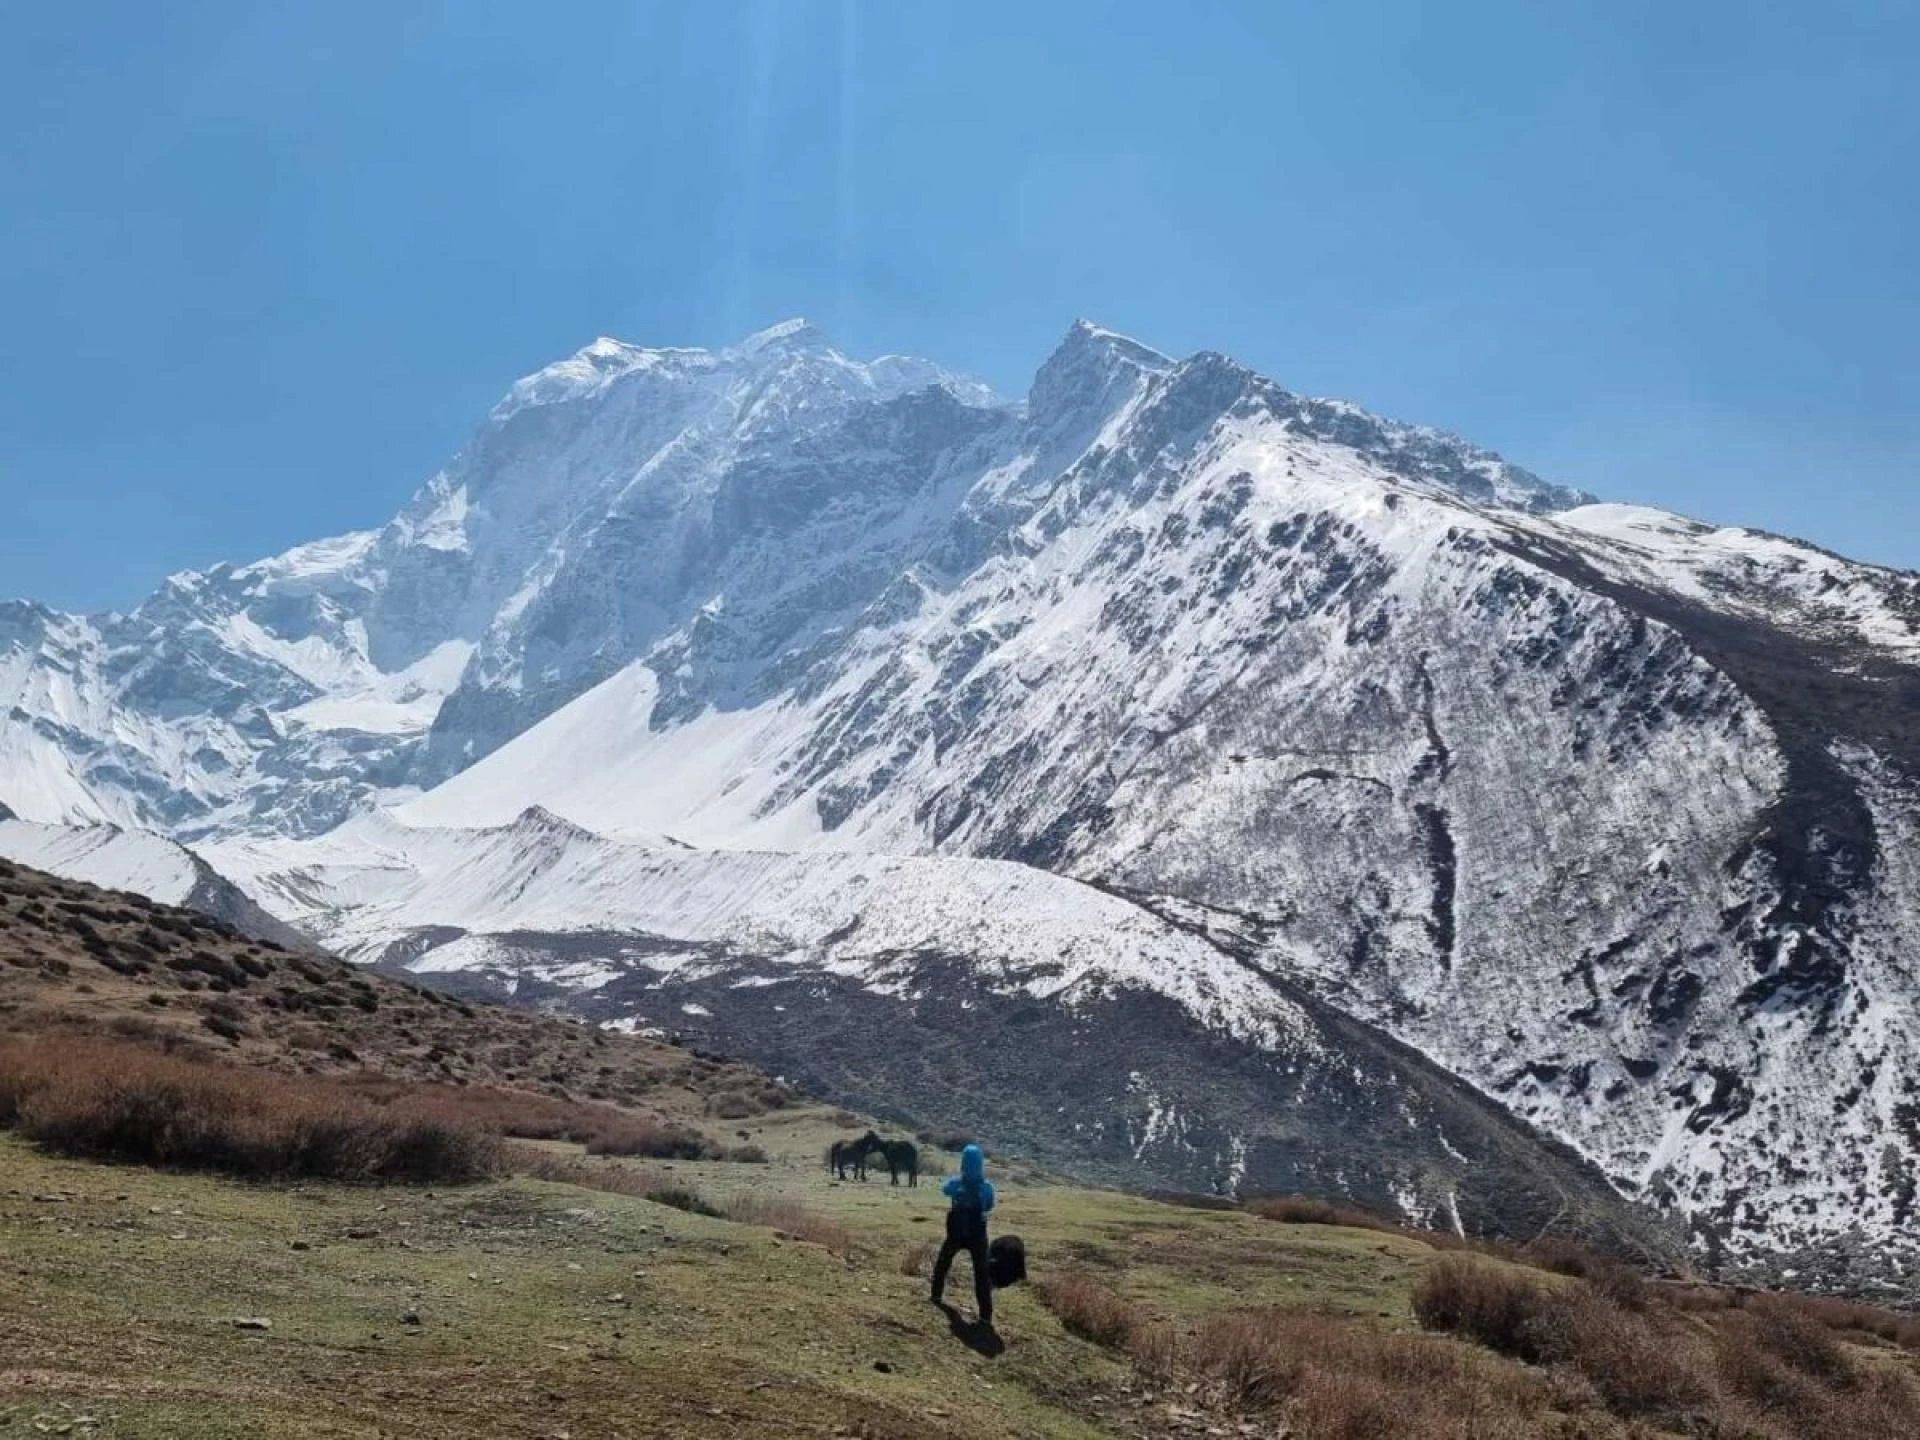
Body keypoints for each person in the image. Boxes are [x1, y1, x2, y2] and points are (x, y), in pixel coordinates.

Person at [931, 1143, 996, 1327]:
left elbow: (945, 1189)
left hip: (956, 1233)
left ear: (963, 1163)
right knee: (981, 1274)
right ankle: (985, 1316)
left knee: (943, 1263)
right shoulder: (986, 1187)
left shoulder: (956, 1184)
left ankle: (936, 1296)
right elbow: (990, 1205)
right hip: (978, 1235)